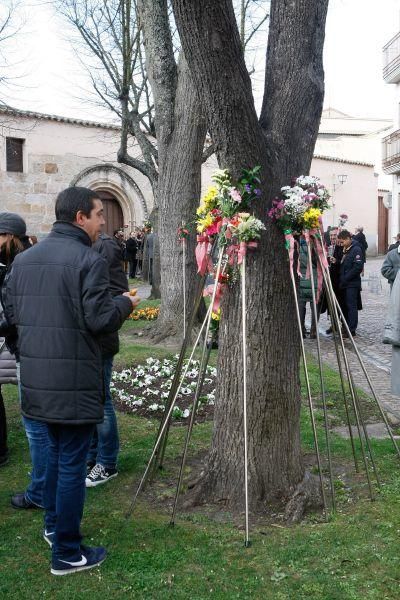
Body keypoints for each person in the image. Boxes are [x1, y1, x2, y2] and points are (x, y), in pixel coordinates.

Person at [4, 187, 140, 576]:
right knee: (69, 465)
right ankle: (65, 551)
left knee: (54, 455)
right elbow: (100, 320)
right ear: (80, 217)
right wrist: (124, 304)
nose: (103, 222)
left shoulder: (25, 260)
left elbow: (11, 316)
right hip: (73, 382)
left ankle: (53, 528)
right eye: (99, 215)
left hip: (36, 379)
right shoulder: (87, 260)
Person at [0, 214, 49, 506]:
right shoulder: (28, 262)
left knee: (35, 427)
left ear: (8, 237)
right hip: (40, 348)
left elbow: (13, 317)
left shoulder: (18, 266)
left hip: (31, 351)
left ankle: (41, 491)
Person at [85, 231, 129, 486]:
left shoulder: (104, 248)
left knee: (102, 402)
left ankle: (107, 462)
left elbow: (113, 300)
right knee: (91, 400)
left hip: (101, 342)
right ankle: (92, 457)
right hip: (89, 343)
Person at [0, 213, 28, 468]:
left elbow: (17, 313)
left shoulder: (21, 264)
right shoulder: (8, 263)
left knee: (31, 410)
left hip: (25, 344)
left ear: (9, 236)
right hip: (15, 342)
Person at [337, 229, 363, 336]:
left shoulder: (356, 249)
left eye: (342, 242)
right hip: (345, 283)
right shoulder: (346, 249)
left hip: (352, 284)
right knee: (346, 306)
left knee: (351, 306)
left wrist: (345, 278)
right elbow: (345, 264)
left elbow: (357, 267)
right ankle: (346, 326)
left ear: (348, 239)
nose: (341, 244)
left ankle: (351, 329)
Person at [298, 238, 318, 338]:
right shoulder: (316, 246)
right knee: (314, 307)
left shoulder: (298, 246)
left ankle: (301, 329)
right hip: (314, 281)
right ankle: (313, 331)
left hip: (302, 280)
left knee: (301, 306)